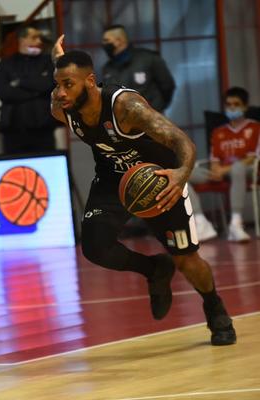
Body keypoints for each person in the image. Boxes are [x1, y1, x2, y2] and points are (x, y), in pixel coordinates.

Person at [49, 35, 236, 346]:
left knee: (186, 259)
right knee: (95, 247)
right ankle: (154, 269)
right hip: (113, 179)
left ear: (90, 81)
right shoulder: (62, 108)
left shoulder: (126, 107)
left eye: (68, 84)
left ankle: (214, 307)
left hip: (159, 180)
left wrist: (179, 176)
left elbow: (181, 141)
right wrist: (57, 62)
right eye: (58, 85)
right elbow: (64, 83)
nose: (60, 92)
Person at [188, 87, 260, 242]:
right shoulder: (218, 132)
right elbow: (214, 159)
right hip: (221, 171)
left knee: (238, 168)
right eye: (228, 104)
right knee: (183, 174)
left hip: (248, 169)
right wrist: (216, 170)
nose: (232, 108)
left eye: (236, 104)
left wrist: (223, 170)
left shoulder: (255, 127)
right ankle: (201, 222)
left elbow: (252, 158)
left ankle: (236, 224)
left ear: (245, 107)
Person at [0, 25, 58, 154]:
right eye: (34, 37)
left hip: (43, 129)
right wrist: (37, 91)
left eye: (40, 38)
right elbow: (4, 93)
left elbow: (48, 85)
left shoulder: (47, 61)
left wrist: (19, 82)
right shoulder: (6, 63)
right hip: (13, 131)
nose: (39, 41)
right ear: (22, 40)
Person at [102, 25, 175, 113]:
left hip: (150, 117)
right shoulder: (108, 68)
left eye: (106, 40)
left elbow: (167, 86)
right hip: (123, 119)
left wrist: (155, 110)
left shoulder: (149, 59)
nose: (103, 44)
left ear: (119, 41)